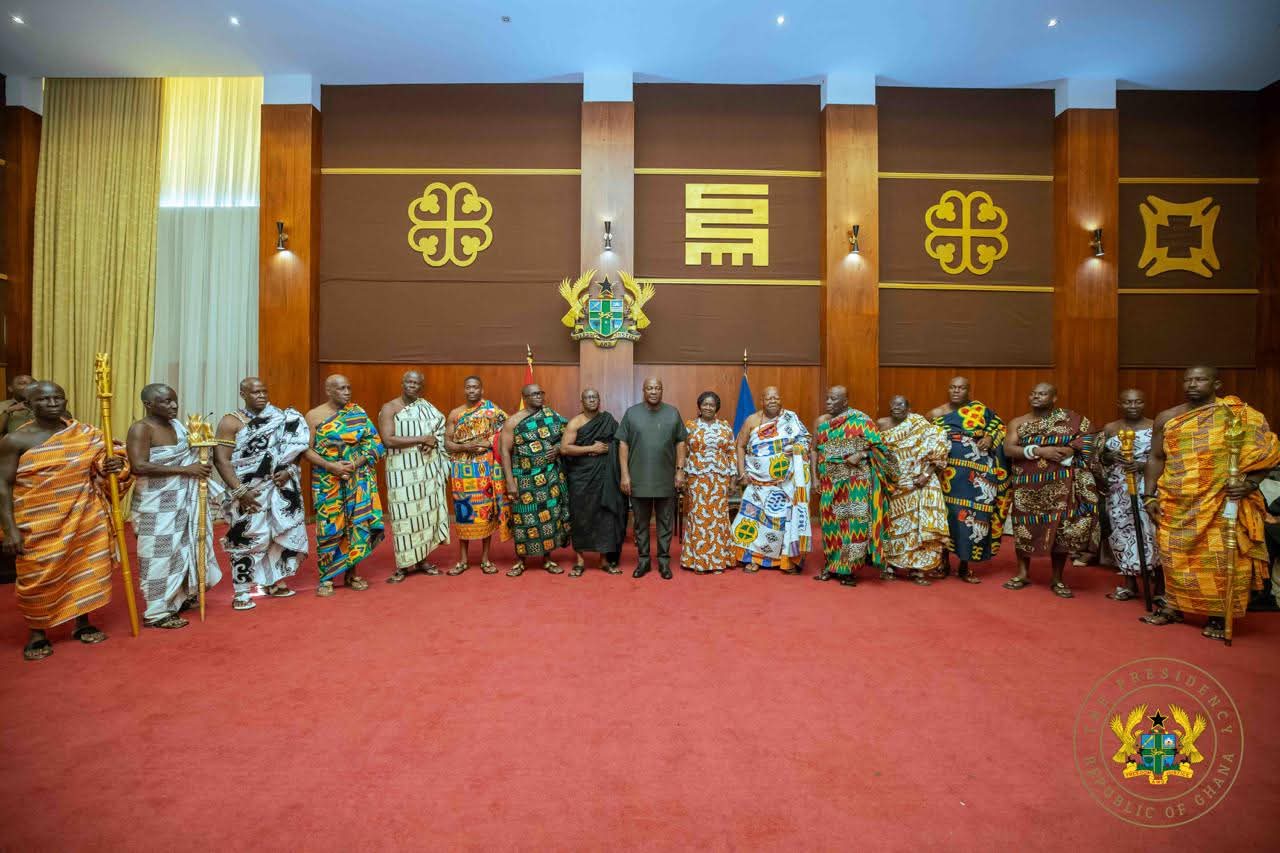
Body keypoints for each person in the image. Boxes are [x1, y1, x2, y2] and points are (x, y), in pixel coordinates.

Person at [1143, 365, 1280, 640]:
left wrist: (1250, 484)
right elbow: (1157, 457)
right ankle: (1174, 606)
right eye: (1188, 380)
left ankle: (1218, 616)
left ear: (1216, 384)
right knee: (1173, 556)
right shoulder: (1167, 418)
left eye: (1200, 379)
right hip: (1176, 499)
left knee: (1216, 560)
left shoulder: (1238, 415)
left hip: (1220, 501)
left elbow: (1267, 454)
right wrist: (1149, 495)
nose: (1193, 384)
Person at [0, 382, 129, 660]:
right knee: (37, 573)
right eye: (44, 399)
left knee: (84, 566)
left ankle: (82, 622)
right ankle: (38, 632)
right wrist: (9, 529)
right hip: (37, 520)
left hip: (83, 514)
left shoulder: (84, 433)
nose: (52, 403)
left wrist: (113, 465)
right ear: (28, 405)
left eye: (57, 397)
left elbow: (109, 457)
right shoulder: (14, 441)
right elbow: (3, 484)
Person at [126, 383, 222, 629]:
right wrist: (186, 469)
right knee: (158, 557)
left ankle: (179, 596)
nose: (173, 406)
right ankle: (156, 612)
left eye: (174, 400)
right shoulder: (142, 428)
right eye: (166, 402)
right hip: (156, 504)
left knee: (185, 547)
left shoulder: (179, 426)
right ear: (148, 404)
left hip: (183, 499)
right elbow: (138, 466)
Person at [212, 377, 310, 611]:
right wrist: (240, 491)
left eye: (264, 391)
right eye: (255, 392)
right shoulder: (230, 422)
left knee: (278, 533)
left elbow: (296, 450)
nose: (262, 395)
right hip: (249, 491)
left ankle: (273, 582)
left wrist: (289, 470)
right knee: (248, 537)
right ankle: (242, 591)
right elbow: (221, 460)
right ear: (242, 394)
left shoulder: (282, 417)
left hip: (280, 490)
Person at [1002, 383, 1100, 598]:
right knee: (1023, 527)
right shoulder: (1018, 422)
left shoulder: (1071, 419)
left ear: (1054, 398)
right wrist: (1039, 450)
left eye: (1043, 393)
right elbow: (1009, 449)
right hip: (1028, 482)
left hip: (1061, 484)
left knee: (1061, 530)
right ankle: (1022, 573)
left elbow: (1090, 436)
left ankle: (1057, 578)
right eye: (1033, 393)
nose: (1036, 397)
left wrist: (1071, 448)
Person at [304, 374, 385, 597]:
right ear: (328, 390)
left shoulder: (357, 413)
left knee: (355, 525)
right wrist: (332, 467)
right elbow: (305, 450)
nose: (347, 392)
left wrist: (356, 463)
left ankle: (352, 574)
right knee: (330, 527)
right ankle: (326, 577)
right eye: (341, 388)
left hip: (356, 478)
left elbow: (376, 443)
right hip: (327, 480)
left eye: (349, 388)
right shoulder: (313, 416)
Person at [813, 385, 898, 586]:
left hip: (855, 482)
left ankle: (848, 570)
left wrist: (860, 454)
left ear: (845, 401)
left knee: (853, 526)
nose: (828, 403)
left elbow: (882, 451)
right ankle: (831, 566)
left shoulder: (863, 422)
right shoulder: (824, 424)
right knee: (830, 524)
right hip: (830, 481)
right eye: (827, 399)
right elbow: (815, 450)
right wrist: (815, 477)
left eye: (833, 399)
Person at [928, 376, 1010, 583]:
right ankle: (942, 562)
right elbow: (925, 440)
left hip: (978, 474)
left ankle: (964, 565)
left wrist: (989, 438)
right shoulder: (935, 414)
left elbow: (1000, 428)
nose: (956, 391)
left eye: (961, 388)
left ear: (968, 391)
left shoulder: (981, 410)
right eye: (953, 387)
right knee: (946, 515)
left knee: (973, 515)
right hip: (947, 474)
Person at [379, 370, 450, 584]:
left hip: (426, 470)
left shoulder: (426, 407)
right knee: (403, 515)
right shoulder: (389, 408)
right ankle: (403, 564)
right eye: (409, 382)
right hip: (401, 472)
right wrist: (422, 438)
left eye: (417, 383)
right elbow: (388, 440)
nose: (413, 386)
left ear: (421, 386)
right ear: (403, 383)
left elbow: (440, 427)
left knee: (425, 513)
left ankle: (422, 560)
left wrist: (433, 441)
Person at [730, 386, 811, 573]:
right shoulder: (752, 420)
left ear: (780, 399)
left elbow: (806, 440)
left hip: (786, 485)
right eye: (768, 398)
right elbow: (740, 446)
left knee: (783, 523)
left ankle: (785, 560)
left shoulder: (790, 419)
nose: (772, 401)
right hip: (757, 485)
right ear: (762, 401)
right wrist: (742, 473)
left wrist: (796, 448)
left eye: (776, 397)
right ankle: (754, 559)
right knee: (753, 521)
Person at [618, 376, 688, 579]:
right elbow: (623, 444)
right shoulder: (632, 413)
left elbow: (681, 443)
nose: (654, 391)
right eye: (650, 388)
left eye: (657, 388)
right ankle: (644, 561)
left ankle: (664, 562)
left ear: (662, 390)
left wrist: (680, 470)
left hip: (666, 478)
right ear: (644, 390)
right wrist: (625, 474)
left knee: (665, 522)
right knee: (640, 523)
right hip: (638, 478)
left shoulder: (672, 413)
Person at [878, 395, 949, 584]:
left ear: (909, 407)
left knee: (917, 527)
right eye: (893, 404)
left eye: (900, 404)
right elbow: (876, 450)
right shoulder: (882, 424)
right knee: (893, 526)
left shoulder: (919, 423)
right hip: (894, 484)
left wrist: (926, 474)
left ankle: (917, 570)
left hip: (920, 481)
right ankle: (891, 565)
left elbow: (939, 444)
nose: (896, 407)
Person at [1098, 389, 1160, 602]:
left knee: (1152, 532)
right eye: (1128, 402)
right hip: (1119, 488)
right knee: (1122, 532)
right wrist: (1110, 455)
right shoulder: (1111, 428)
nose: (1133, 406)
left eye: (1138, 402)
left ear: (1144, 403)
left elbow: (1163, 458)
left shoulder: (1155, 426)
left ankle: (1159, 586)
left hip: (1148, 486)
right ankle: (1129, 584)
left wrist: (1142, 465)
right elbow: (1101, 459)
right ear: (1120, 404)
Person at [501, 384, 570, 576]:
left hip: (549, 477)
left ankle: (547, 559)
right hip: (524, 479)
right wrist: (510, 481)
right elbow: (505, 452)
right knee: (523, 519)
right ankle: (520, 561)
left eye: (541, 393)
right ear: (524, 397)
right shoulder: (513, 421)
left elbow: (568, 439)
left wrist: (556, 449)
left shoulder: (553, 417)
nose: (539, 396)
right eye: (534, 394)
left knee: (549, 517)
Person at [444, 376, 510, 574]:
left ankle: (485, 559)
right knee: (463, 513)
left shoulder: (492, 411)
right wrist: (466, 446)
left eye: (475, 387)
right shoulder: (455, 413)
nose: (472, 390)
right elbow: (447, 444)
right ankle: (463, 560)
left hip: (484, 468)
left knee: (485, 512)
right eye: (468, 387)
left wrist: (488, 443)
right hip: (461, 470)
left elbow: (505, 431)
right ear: (465, 390)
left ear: (482, 390)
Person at [559, 388, 625, 576]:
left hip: (606, 475)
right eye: (588, 397)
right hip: (582, 477)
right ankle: (580, 561)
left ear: (599, 400)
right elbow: (564, 449)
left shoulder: (608, 420)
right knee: (581, 517)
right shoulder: (576, 422)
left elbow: (620, 443)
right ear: (582, 401)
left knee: (605, 517)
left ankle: (604, 560)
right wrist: (592, 448)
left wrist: (608, 449)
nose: (592, 400)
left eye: (594, 397)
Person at [681, 391, 736, 574]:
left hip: (720, 478)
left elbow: (731, 452)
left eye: (711, 405)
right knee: (698, 516)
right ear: (699, 406)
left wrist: (733, 478)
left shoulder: (725, 428)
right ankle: (697, 561)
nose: (708, 407)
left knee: (718, 518)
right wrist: (681, 473)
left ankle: (718, 561)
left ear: (716, 407)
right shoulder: (690, 427)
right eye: (704, 404)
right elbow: (683, 452)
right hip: (697, 478)